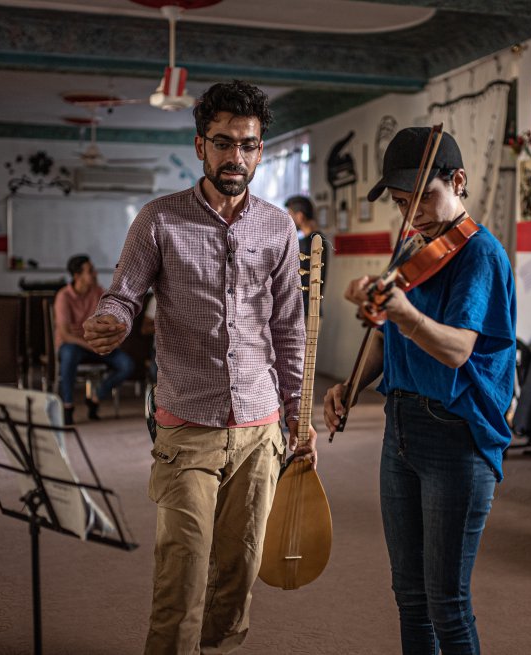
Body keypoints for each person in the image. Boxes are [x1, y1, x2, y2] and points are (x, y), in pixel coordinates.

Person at [82, 80, 313, 655]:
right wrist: (110, 318)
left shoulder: (279, 226)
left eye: (250, 145)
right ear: (200, 146)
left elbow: (288, 328)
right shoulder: (159, 220)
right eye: (225, 143)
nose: (237, 156)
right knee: (181, 576)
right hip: (188, 426)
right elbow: (125, 292)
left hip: (260, 431)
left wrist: (298, 418)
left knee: (238, 578)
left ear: (261, 150)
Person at [323, 127, 516, 655]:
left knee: (446, 604)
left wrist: (403, 313)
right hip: (401, 428)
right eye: (403, 203)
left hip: (456, 437)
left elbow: (455, 350)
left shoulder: (480, 255)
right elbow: (389, 343)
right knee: (409, 596)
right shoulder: (412, 250)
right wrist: (352, 384)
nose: (413, 216)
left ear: (457, 181)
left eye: (423, 199)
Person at [53, 254, 134, 426]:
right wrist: (92, 345)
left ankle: (96, 397)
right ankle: (67, 405)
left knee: (126, 364)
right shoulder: (63, 297)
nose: (95, 273)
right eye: (90, 271)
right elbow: (66, 335)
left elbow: (107, 318)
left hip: (95, 344)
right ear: (77, 276)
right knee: (68, 353)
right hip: (75, 345)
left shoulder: (98, 292)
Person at [284, 194, 328, 316]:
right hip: (300, 310)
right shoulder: (304, 241)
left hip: (307, 312)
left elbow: (309, 279)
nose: (289, 220)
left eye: (290, 215)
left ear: (300, 216)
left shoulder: (316, 241)